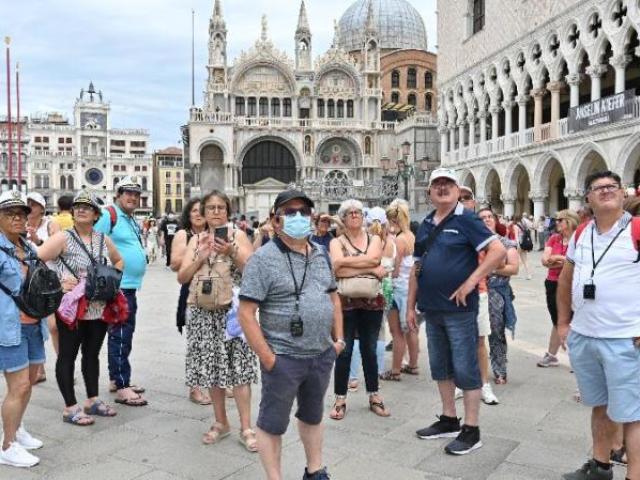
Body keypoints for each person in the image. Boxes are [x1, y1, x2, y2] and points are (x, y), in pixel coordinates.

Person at [238, 189, 343, 480]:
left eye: (304, 212)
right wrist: (269, 358)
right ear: (275, 220)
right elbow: (246, 313)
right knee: (272, 423)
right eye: (290, 212)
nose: (299, 217)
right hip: (283, 357)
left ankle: (315, 469)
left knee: (313, 414)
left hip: (321, 354)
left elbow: (333, 298)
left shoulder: (321, 253)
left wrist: (339, 341)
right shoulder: (262, 259)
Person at [408, 168, 506, 455]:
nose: (442, 188)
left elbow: (498, 251)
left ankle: (471, 430)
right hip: (432, 308)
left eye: (447, 183)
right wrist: (411, 305)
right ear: (429, 191)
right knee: (440, 367)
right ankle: (449, 419)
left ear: (456, 188)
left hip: (459, 309)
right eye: (436, 184)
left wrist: (471, 281)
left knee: (465, 367)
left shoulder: (467, 218)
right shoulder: (426, 222)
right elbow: (417, 267)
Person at [559, 171, 640, 480]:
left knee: (633, 415)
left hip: (625, 340)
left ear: (622, 193)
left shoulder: (636, 228)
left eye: (612, 186)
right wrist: (564, 323)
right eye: (598, 188)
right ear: (588, 198)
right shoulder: (581, 233)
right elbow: (567, 278)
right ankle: (600, 467)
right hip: (586, 335)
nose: (606, 191)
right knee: (600, 406)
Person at [177, 190, 258, 451]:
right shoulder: (196, 239)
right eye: (210, 208)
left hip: (233, 313)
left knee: (240, 370)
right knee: (212, 369)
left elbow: (252, 269)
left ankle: (246, 427)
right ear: (203, 212)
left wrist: (232, 250)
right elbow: (182, 277)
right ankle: (221, 422)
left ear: (228, 210)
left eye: (220, 207)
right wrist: (199, 257)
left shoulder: (238, 235)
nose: (215, 212)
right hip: (203, 312)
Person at [38, 190, 124, 426]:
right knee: (67, 355)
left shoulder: (102, 238)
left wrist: (113, 280)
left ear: (96, 214)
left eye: (87, 206)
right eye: (77, 206)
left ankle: (92, 400)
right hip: (71, 308)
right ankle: (70, 407)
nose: (81, 209)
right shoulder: (63, 238)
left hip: (97, 306)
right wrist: (57, 282)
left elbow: (118, 260)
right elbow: (37, 261)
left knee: (92, 354)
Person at [329, 199, 389, 420]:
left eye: (358, 212)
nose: (354, 215)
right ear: (343, 219)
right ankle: (340, 399)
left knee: (369, 350)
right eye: (349, 212)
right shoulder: (336, 242)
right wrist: (371, 269)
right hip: (344, 303)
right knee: (343, 350)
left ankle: (374, 395)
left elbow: (375, 257)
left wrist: (349, 263)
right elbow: (336, 267)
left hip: (372, 302)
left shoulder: (374, 238)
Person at [0, 191, 45, 468]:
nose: (17, 218)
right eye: (9, 214)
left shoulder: (27, 247)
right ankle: (7, 445)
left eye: (21, 214)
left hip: (32, 323)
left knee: (28, 386)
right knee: (18, 387)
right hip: (9, 327)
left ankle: (17, 429)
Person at [94, 176, 148, 406]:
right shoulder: (109, 214)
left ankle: (117, 378)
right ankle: (122, 385)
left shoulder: (128, 218)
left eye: (136, 194)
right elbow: (95, 241)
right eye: (128, 193)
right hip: (119, 286)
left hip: (129, 285)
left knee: (124, 332)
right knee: (121, 333)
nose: (133, 197)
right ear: (118, 194)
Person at [454, 188, 499, 405]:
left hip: (478, 291)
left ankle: (483, 384)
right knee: (457, 340)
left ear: (474, 201)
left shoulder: (480, 227)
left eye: (467, 198)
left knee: (480, 340)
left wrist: (476, 276)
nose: (463, 202)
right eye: (460, 198)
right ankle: (458, 383)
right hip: (453, 292)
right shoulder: (450, 224)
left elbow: (498, 254)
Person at [170, 198, 210, 405]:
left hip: (215, 291)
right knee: (197, 342)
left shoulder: (216, 233)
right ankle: (195, 388)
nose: (198, 213)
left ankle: (216, 383)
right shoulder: (183, 234)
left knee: (217, 340)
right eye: (193, 210)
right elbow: (175, 264)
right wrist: (197, 250)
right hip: (192, 292)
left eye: (201, 209)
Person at [477, 208, 519, 384]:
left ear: (495, 220)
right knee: (475, 334)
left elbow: (513, 268)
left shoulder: (505, 243)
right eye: (483, 218)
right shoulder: (474, 242)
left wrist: (487, 268)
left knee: (496, 331)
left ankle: (500, 369)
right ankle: (476, 370)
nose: (487, 220)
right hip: (477, 291)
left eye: (489, 217)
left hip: (496, 292)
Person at [351, 207, 392, 388]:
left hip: (361, 286)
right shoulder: (389, 242)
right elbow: (391, 269)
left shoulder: (364, 241)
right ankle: (378, 372)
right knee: (379, 332)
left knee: (354, 332)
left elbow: (358, 264)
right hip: (384, 289)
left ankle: (353, 377)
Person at [380, 200, 420, 382]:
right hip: (410, 288)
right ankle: (413, 364)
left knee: (396, 332)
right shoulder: (412, 236)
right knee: (412, 329)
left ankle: (395, 370)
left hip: (397, 289)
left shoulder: (398, 240)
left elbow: (394, 271)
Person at [536, 209, 579, 368]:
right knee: (557, 319)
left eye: (560, 220)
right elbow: (545, 260)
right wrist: (563, 261)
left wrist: (559, 259)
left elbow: (578, 262)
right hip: (552, 282)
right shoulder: (554, 238)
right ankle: (552, 355)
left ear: (570, 221)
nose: (556, 223)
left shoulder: (578, 239)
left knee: (573, 320)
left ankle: (577, 359)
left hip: (572, 283)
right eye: (556, 219)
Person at [508, 214, 532, 280]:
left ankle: (514, 271)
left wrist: (517, 245)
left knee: (516, 259)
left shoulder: (515, 226)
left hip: (519, 244)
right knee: (525, 260)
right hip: (524, 244)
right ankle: (529, 274)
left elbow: (516, 237)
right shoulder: (523, 225)